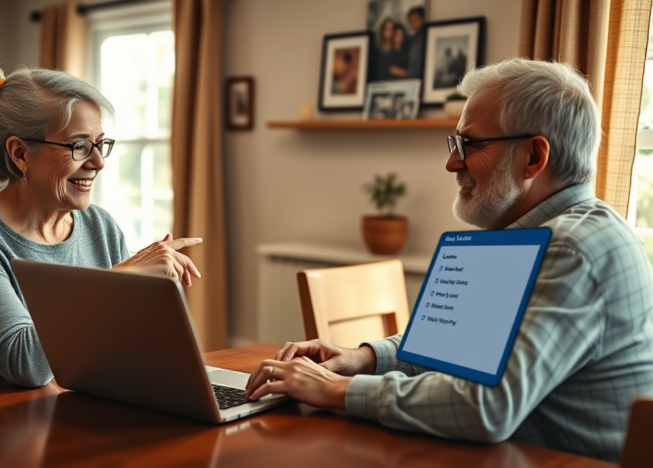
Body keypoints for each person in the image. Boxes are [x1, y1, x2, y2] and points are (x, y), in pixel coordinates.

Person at [245, 58, 653, 462]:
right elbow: (450, 349)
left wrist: (334, 390)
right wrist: (361, 359)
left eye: (469, 144)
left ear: (533, 157)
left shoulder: (571, 250)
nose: (451, 162)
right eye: (453, 143)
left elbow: (487, 406)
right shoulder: (527, 235)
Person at [0, 60, 202, 394]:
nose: (98, 162)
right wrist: (124, 277)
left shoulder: (100, 226)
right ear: (20, 153)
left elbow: (127, 344)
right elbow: (28, 365)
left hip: (91, 411)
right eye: (79, 146)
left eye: (101, 144)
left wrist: (153, 301)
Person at [405, 6, 425, 78]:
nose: (413, 24)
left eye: (416, 20)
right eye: (411, 21)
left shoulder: (425, 40)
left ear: (423, 19)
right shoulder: (412, 40)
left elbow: (415, 71)